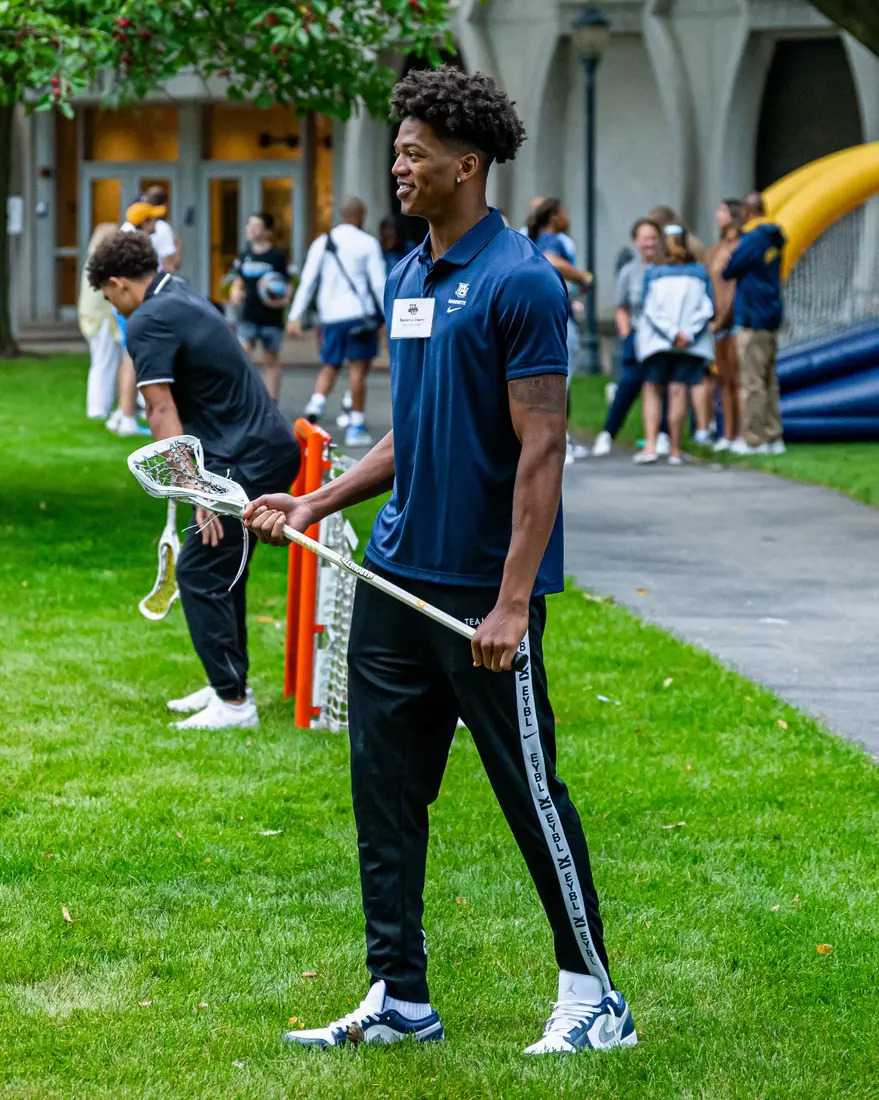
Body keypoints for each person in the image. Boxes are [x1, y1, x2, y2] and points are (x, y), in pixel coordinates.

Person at [246, 64, 635, 1057]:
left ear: (468, 164)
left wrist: (515, 599)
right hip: (395, 577)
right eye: (398, 151)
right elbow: (411, 432)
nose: (398, 167)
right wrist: (318, 497)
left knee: (528, 788)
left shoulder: (521, 281)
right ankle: (399, 992)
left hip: (479, 596)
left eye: (414, 153)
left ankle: (594, 992)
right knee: (382, 786)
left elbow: (542, 444)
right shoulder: (409, 272)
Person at [86, 230, 300, 730]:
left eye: (108, 296)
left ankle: (233, 702)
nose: (112, 305)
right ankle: (229, 683)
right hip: (257, 445)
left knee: (201, 572)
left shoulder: (147, 320)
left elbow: (159, 410)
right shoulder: (177, 291)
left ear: (118, 283)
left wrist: (196, 490)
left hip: (245, 454)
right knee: (222, 569)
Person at [287, 197, 386, 448]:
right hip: (358, 316)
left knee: (329, 365)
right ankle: (356, 425)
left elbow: (308, 281)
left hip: (330, 316)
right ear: (361, 214)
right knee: (357, 371)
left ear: (340, 215)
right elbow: (378, 283)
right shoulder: (368, 243)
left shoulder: (322, 242)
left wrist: (294, 316)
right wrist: (389, 315)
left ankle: (315, 405)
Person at [636, 225, 714, 465]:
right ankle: (675, 450)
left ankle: (650, 445)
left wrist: (670, 333)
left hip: (658, 343)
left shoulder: (653, 273)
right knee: (678, 391)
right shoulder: (700, 273)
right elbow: (707, 307)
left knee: (652, 389)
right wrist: (687, 334)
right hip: (688, 345)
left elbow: (649, 308)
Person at [592, 218, 667, 457]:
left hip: (664, 338)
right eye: (645, 238)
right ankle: (608, 433)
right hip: (637, 335)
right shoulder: (629, 272)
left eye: (653, 238)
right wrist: (627, 334)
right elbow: (621, 306)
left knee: (660, 386)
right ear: (636, 241)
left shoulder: (667, 268)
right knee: (629, 384)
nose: (649, 243)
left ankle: (662, 434)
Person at [528, 197, 593, 463]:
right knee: (557, 383)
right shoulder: (552, 240)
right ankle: (553, 442)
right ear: (553, 216)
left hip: (551, 316)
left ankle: (557, 439)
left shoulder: (535, 239)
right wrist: (582, 277)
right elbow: (552, 260)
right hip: (558, 319)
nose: (568, 217)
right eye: (564, 211)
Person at [723, 191, 786, 456]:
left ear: (747, 214)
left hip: (752, 316)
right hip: (771, 313)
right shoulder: (775, 236)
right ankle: (773, 436)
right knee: (769, 379)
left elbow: (730, 268)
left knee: (751, 381)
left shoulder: (753, 238)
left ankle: (754, 438)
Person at [105, 201, 168, 437]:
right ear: (144, 223)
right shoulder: (132, 246)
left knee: (128, 356)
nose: (157, 223)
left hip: (127, 306)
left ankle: (123, 412)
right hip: (132, 307)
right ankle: (128, 416)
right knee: (133, 357)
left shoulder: (126, 240)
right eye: (153, 219)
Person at [229, 212, 290, 401]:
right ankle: (243, 398)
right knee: (242, 354)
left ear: (267, 232)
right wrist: (235, 292)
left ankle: (272, 401)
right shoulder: (245, 255)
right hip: (249, 315)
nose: (251, 229)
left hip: (271, 317)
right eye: (249, 225)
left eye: (256, 226)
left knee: (271, 359)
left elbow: (287, 285)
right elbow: (239, 280)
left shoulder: (277, 256)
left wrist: (283, 300)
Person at [706, 199, 743, 452]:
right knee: (724, 380)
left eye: (721, 210)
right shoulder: (717, 246)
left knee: (737, 380)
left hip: (731, 321)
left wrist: (721, 320)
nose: (717, 214)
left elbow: (732, 287)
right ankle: (727, 434)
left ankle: (741, 433)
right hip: (716, 321)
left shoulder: (737, 246)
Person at [78, 222, 124, 420]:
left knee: (103, 361)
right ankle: (98, 408)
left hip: (92, 316)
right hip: (102, 317)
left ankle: (104, 405)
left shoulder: (93, 260)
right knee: (104, 363)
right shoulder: (104, 263)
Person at [141, 185, 181, 274]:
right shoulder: (163, 228)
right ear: (164, 205)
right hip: (155, 279)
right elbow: (169, 265)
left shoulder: (129, 225)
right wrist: (178, 246)